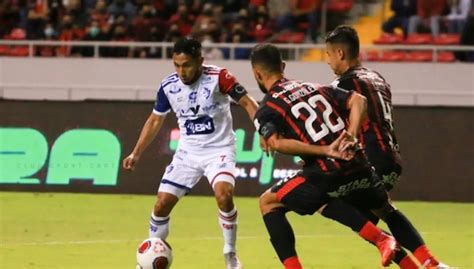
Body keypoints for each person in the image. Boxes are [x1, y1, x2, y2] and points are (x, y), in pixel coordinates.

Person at [251, 43, 400, 269]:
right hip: (359, 162)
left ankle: (380, 238)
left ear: (257, 74)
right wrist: (350, 135)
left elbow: (276, 143)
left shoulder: (268, 106)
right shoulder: (314, 86)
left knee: (269, 202)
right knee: (372, 207)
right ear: (282, 66)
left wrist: (325, 150)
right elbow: (359, 100)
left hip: (326, 172)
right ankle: (410, 256)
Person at [123, 38, 259, 269]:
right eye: (176, 65)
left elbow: (247, 102)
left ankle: (230, 254)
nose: (181, 71)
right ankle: (150, 259)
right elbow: (156, 119)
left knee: (224, 196)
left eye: (186, 65)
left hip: (220, 149)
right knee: (161, 205)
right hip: (188, 153)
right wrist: (136, 153)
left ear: (199, 61)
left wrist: (263, 130)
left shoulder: (220, 78)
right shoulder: (169, 86)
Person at [324, 25, 448, 269]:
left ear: (339, 53)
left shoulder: (342, 86)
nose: (326, 61)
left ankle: (402, 254)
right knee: (383, 210)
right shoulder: (377, 78)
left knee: (318, 197)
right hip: (392, 159)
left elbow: (340, 127)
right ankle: (430, 263)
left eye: (327, 54)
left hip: (369, 159)